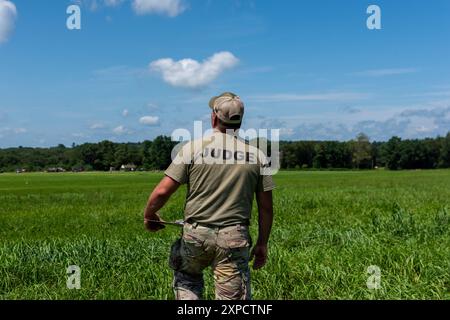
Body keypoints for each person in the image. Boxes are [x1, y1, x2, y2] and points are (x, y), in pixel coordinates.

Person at [143, 92, 275, 300]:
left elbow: (161, 191)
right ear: (240, 121)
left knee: (188, 279)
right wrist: (262, 243)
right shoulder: (257, 156)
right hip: (234, 239)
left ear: (213, 117)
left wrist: (150, 216)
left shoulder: (192, 149)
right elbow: (266, 207)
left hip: (196, 236)